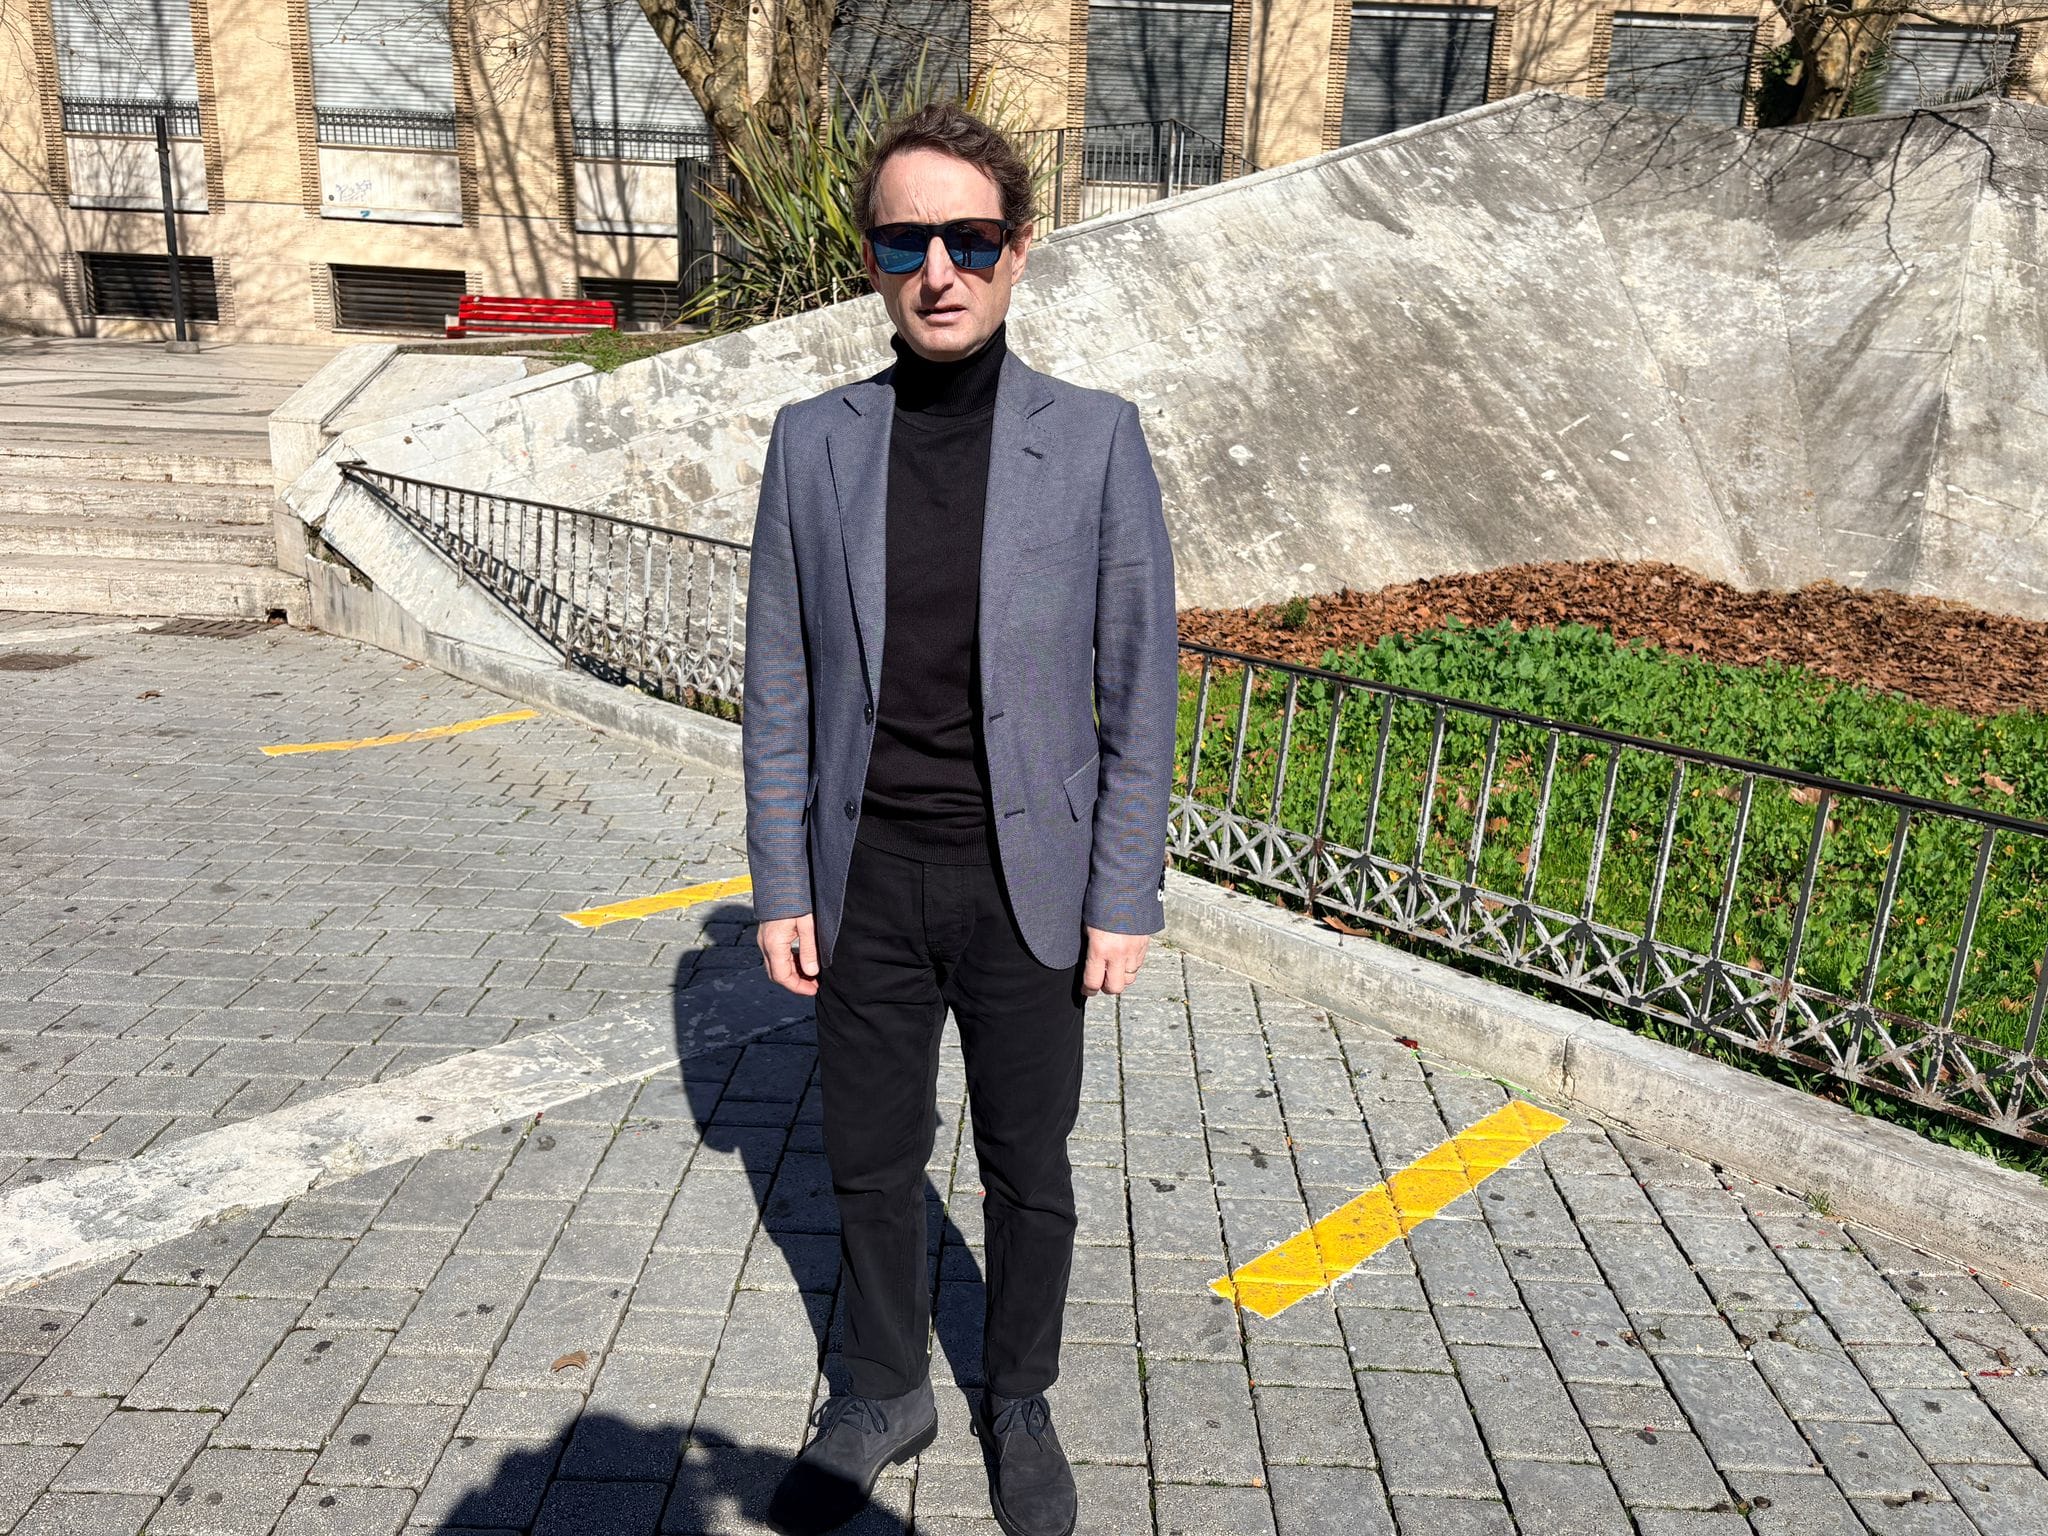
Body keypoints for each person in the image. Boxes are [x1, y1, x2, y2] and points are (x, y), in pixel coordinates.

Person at [740, 99, 1178, 1536]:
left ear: (1017, 250)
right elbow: (781, 681)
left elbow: (1140, 685)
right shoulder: (814, 442)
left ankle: (1019, 1395)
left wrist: (1123, 894)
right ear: (872, 258)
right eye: (905, 241)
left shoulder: (1095, 440)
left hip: (1025, 880)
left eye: (970, 239)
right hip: (863, 872)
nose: (938, 271)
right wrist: (781, 882)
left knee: (1025, 1166)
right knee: (868, 1158)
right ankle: (882, 1389)